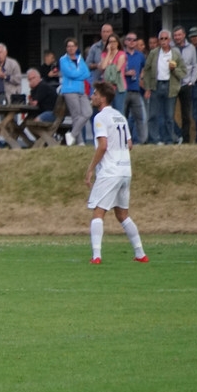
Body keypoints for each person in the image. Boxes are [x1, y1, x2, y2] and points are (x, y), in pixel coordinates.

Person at [85, 81, 148, 265]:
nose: (92, 97)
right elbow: (129, 144)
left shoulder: (100, 117)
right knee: (122, 215)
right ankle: (140, 254)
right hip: (125, 171)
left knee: (98, 213)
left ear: (103, 98)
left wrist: (91, 168)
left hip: (110, 171)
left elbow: (103, 145)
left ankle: (96, 256)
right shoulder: (120, 116)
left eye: (95, 94)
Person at [143, 30, 186, 145]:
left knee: (169, 116)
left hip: (170, 86)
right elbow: (147, 70)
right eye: (161, 39)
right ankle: (154, 139)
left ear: (169, 40)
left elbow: (183, 72)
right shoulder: (154, 53)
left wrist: (174, 69)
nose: (163, 41)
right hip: (156, 85)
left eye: (165, 38)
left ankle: (169, 139)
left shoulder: (175, 54)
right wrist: (147, 87)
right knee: (153, 115)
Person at [59, 38, 91, 146]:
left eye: (73, 46)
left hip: (81, 90)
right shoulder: (63, 60)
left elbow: (87, 73)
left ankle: (72, 135)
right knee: (76, 116)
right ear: (66, 48)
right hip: (69, 90)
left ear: (76, 47)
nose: (71, 48)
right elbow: (70, 74)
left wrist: (77, 75)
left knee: (88, 112)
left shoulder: (80, 58)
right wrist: (79, 75)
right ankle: (80, 142)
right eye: (69, 46)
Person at [172, 26, 197, 144]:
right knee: (169, 114)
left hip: (186, 84)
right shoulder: (170, 48)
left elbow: (195, 65)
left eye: (179, 35)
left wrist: (192, 80)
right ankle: (175, 137)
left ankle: (186, 139)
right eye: (175, 35)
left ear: (184, 35)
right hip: (174, 84)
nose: (177, 37)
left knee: (186, 114)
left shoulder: (191, 48)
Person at [122, 33, 148, 145]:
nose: (132, 42)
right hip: (123, 90)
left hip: (136, 90)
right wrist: (126, 73)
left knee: (139, 117)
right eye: (129, 39)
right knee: (122, 117)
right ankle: (122, 141)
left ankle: (142, 141)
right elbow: (115, 70)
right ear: (125, 42)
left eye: (134, 40)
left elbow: (145, 68)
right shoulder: (121, 54)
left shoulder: (140, 55)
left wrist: (141, 77)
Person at [98, 34, 127, 113]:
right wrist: (109, 53)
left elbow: (116, 70)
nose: (112, 44)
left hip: (118, 86)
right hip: (106, 87)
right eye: (110, 42)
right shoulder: (104, 54)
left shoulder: (121, 54)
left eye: (114, 41)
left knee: (118, 110)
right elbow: (103, 67)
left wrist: (108, 66)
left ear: (118, 43)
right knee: (107, 110)